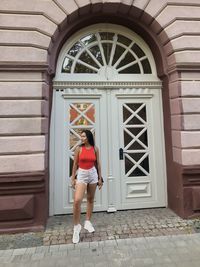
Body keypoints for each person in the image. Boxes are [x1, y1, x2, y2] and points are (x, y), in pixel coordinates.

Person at [71, 130, 103, 244]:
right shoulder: (79, 149)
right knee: (77, 201)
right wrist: (72, 178)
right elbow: (75, 164)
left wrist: (100, 178)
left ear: (88, 137)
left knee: (90, 199)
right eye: (81, 136)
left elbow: (98, 163)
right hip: (82, 174)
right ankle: (76, 227)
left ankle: (87, 221)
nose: (82, 138)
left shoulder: (95, 149)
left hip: (93, 174)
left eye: (83, 136)